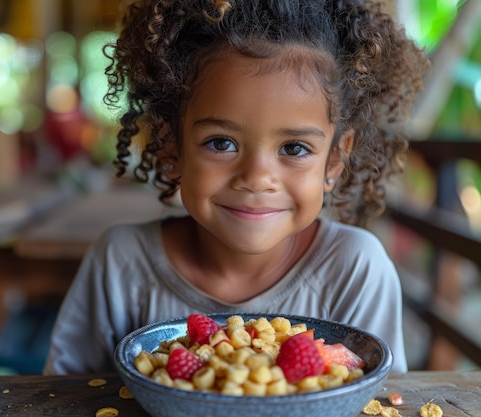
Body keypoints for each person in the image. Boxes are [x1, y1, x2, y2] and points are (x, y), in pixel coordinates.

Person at [44, 0, 429, 375]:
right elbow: (63, 397)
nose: (257, 177)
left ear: (333, 161)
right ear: (170, 147)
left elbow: (381, 401)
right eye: (221, 143)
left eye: (294, 148)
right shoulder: (120, 265)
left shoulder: (355, 270)